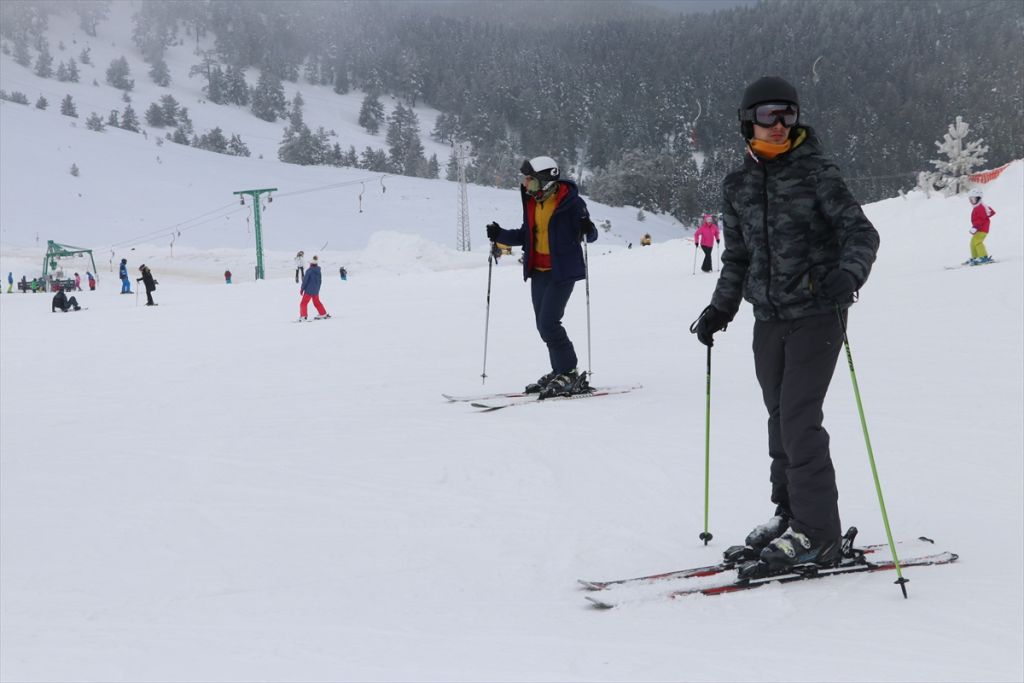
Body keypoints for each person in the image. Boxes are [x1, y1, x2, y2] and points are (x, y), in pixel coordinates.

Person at [693, 76, 880, 571]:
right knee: (780, 419)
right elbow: (737, 257)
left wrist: (849, 273)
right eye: (769, 114)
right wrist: (720, 309)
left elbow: (861, 232)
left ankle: (819, 532)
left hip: (818, 313)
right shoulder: (738, 184)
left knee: (799, 418)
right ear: (747, 121)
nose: (779, 125)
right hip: (768, 318)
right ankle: (792, 513)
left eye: (789, 115)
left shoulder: (818, 173)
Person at [485, 155, 599, 398]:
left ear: (545, 180)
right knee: (543, 325)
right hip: (539, 272)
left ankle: (569, 372)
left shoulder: (571, 202)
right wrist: (500, 234)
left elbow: (591, 235)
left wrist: (587, 228)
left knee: (549, 323)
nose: (525, 183)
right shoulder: (533, 202)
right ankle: (559, 370)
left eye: (530, 179)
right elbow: (527, 235)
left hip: (562, 272)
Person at [967, 187, 996, 265]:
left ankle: (983, 257)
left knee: (977, 242)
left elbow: (981, 219)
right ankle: (975, 257)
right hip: (979, 229)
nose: (971, 201)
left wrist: (975, 227)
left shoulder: (980, 208)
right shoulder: (977, 207)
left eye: (973, 199)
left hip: (982, 229)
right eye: (970, 199)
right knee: (973, 243)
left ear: (979, 199)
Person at [299, 255, 330, 320]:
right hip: (316, 290)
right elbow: (320, 281)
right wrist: (317, 289)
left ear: (311, 264)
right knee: (317, 302)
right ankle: (323, 313)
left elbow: (305, 281)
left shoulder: (309, 271)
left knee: (303, 303)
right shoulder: (318, 271)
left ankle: (303, 316)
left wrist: (302, 289)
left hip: (309, 291)